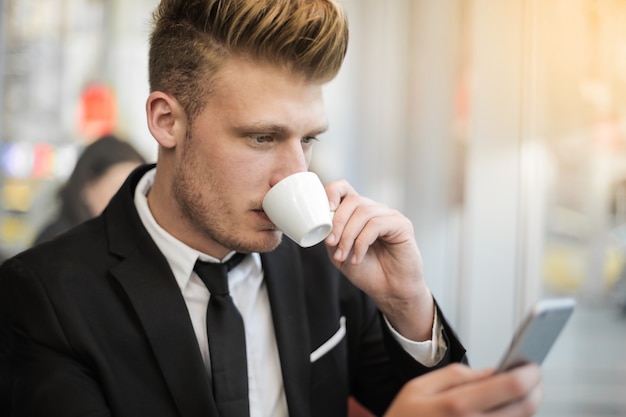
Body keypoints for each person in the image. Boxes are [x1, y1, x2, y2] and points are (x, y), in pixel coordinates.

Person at [0, 0, 543, 416]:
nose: (296, 175)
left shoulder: (326, 265)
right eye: (262, 138)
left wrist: (408, 304)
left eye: (308, 140)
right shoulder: (45, 299)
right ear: (167, 121)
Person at [33, 134, 146, 245]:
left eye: (136, 189)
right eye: (119, 188)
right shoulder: (58, 242)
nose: (130, 200)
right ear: (88, 187)